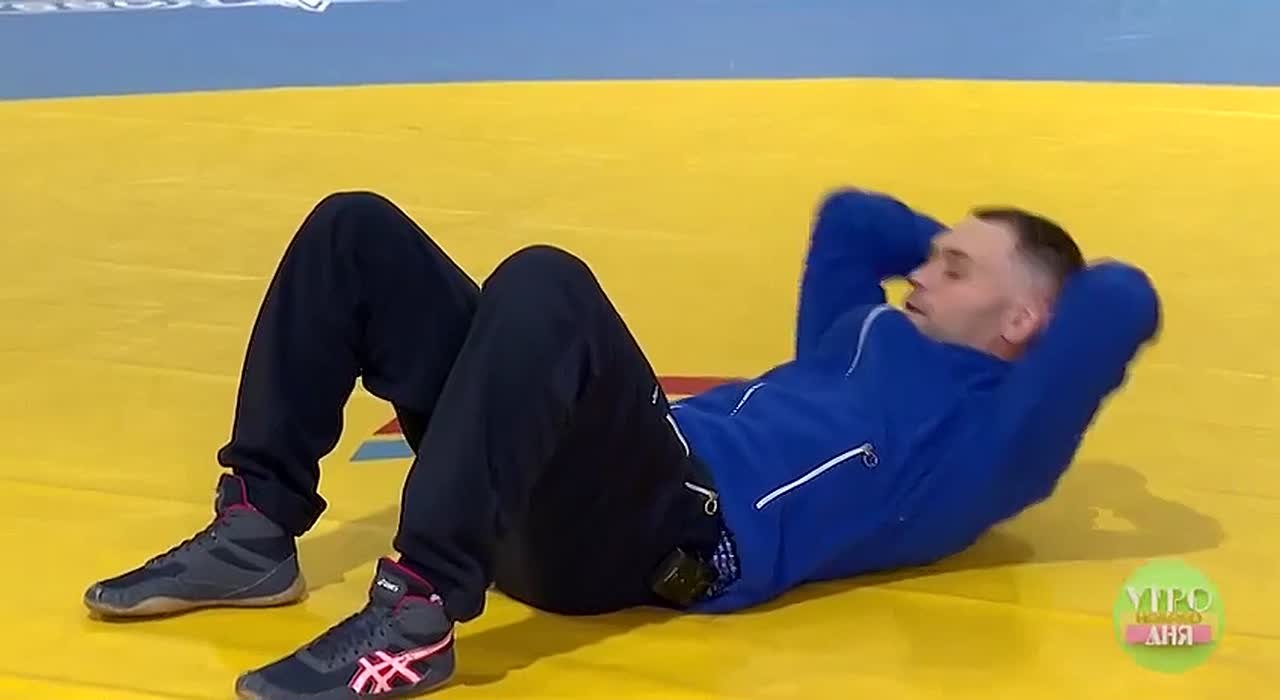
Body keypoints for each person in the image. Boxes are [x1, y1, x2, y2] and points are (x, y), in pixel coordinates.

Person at [83, 187, 1160, 699]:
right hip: (579, 483)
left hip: (671, 535)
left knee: (547, 283)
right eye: (931, 258)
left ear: (1027, 323)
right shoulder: (860, 331)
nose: (920, 271)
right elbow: (846, 220)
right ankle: (256, 527)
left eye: (955, 271)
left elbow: (1120, 297)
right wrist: (960, 256)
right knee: (353, 231)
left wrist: (1023, 292)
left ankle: (415, 614)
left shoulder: (990, 444)